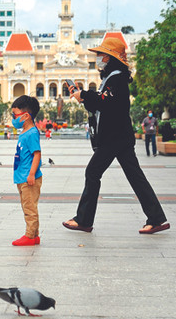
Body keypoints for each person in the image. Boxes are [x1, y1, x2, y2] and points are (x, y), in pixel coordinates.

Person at [62, 36, 169, 235]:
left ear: (111, 58)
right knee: (135, 176)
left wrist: (84, 95)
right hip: (120, 136)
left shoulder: (117, 78)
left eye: (102, 54)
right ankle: (157, 218)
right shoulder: (111, 78)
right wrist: (81, 96)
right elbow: (102, 104)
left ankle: (84, 220)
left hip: (114, 137)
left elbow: (105, 101)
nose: (99, 58)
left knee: (93, 173)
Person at [10, 95, 43, 246]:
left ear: (26, 115)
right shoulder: (25, 132)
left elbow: (37, 154)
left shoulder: (31, 134)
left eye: (15, 115)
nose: (13, 118)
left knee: (30, 207)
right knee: (27, 206)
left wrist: (31, 174)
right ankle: (34, 235)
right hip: (22, 177)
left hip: (29, 178)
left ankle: (30, 235)